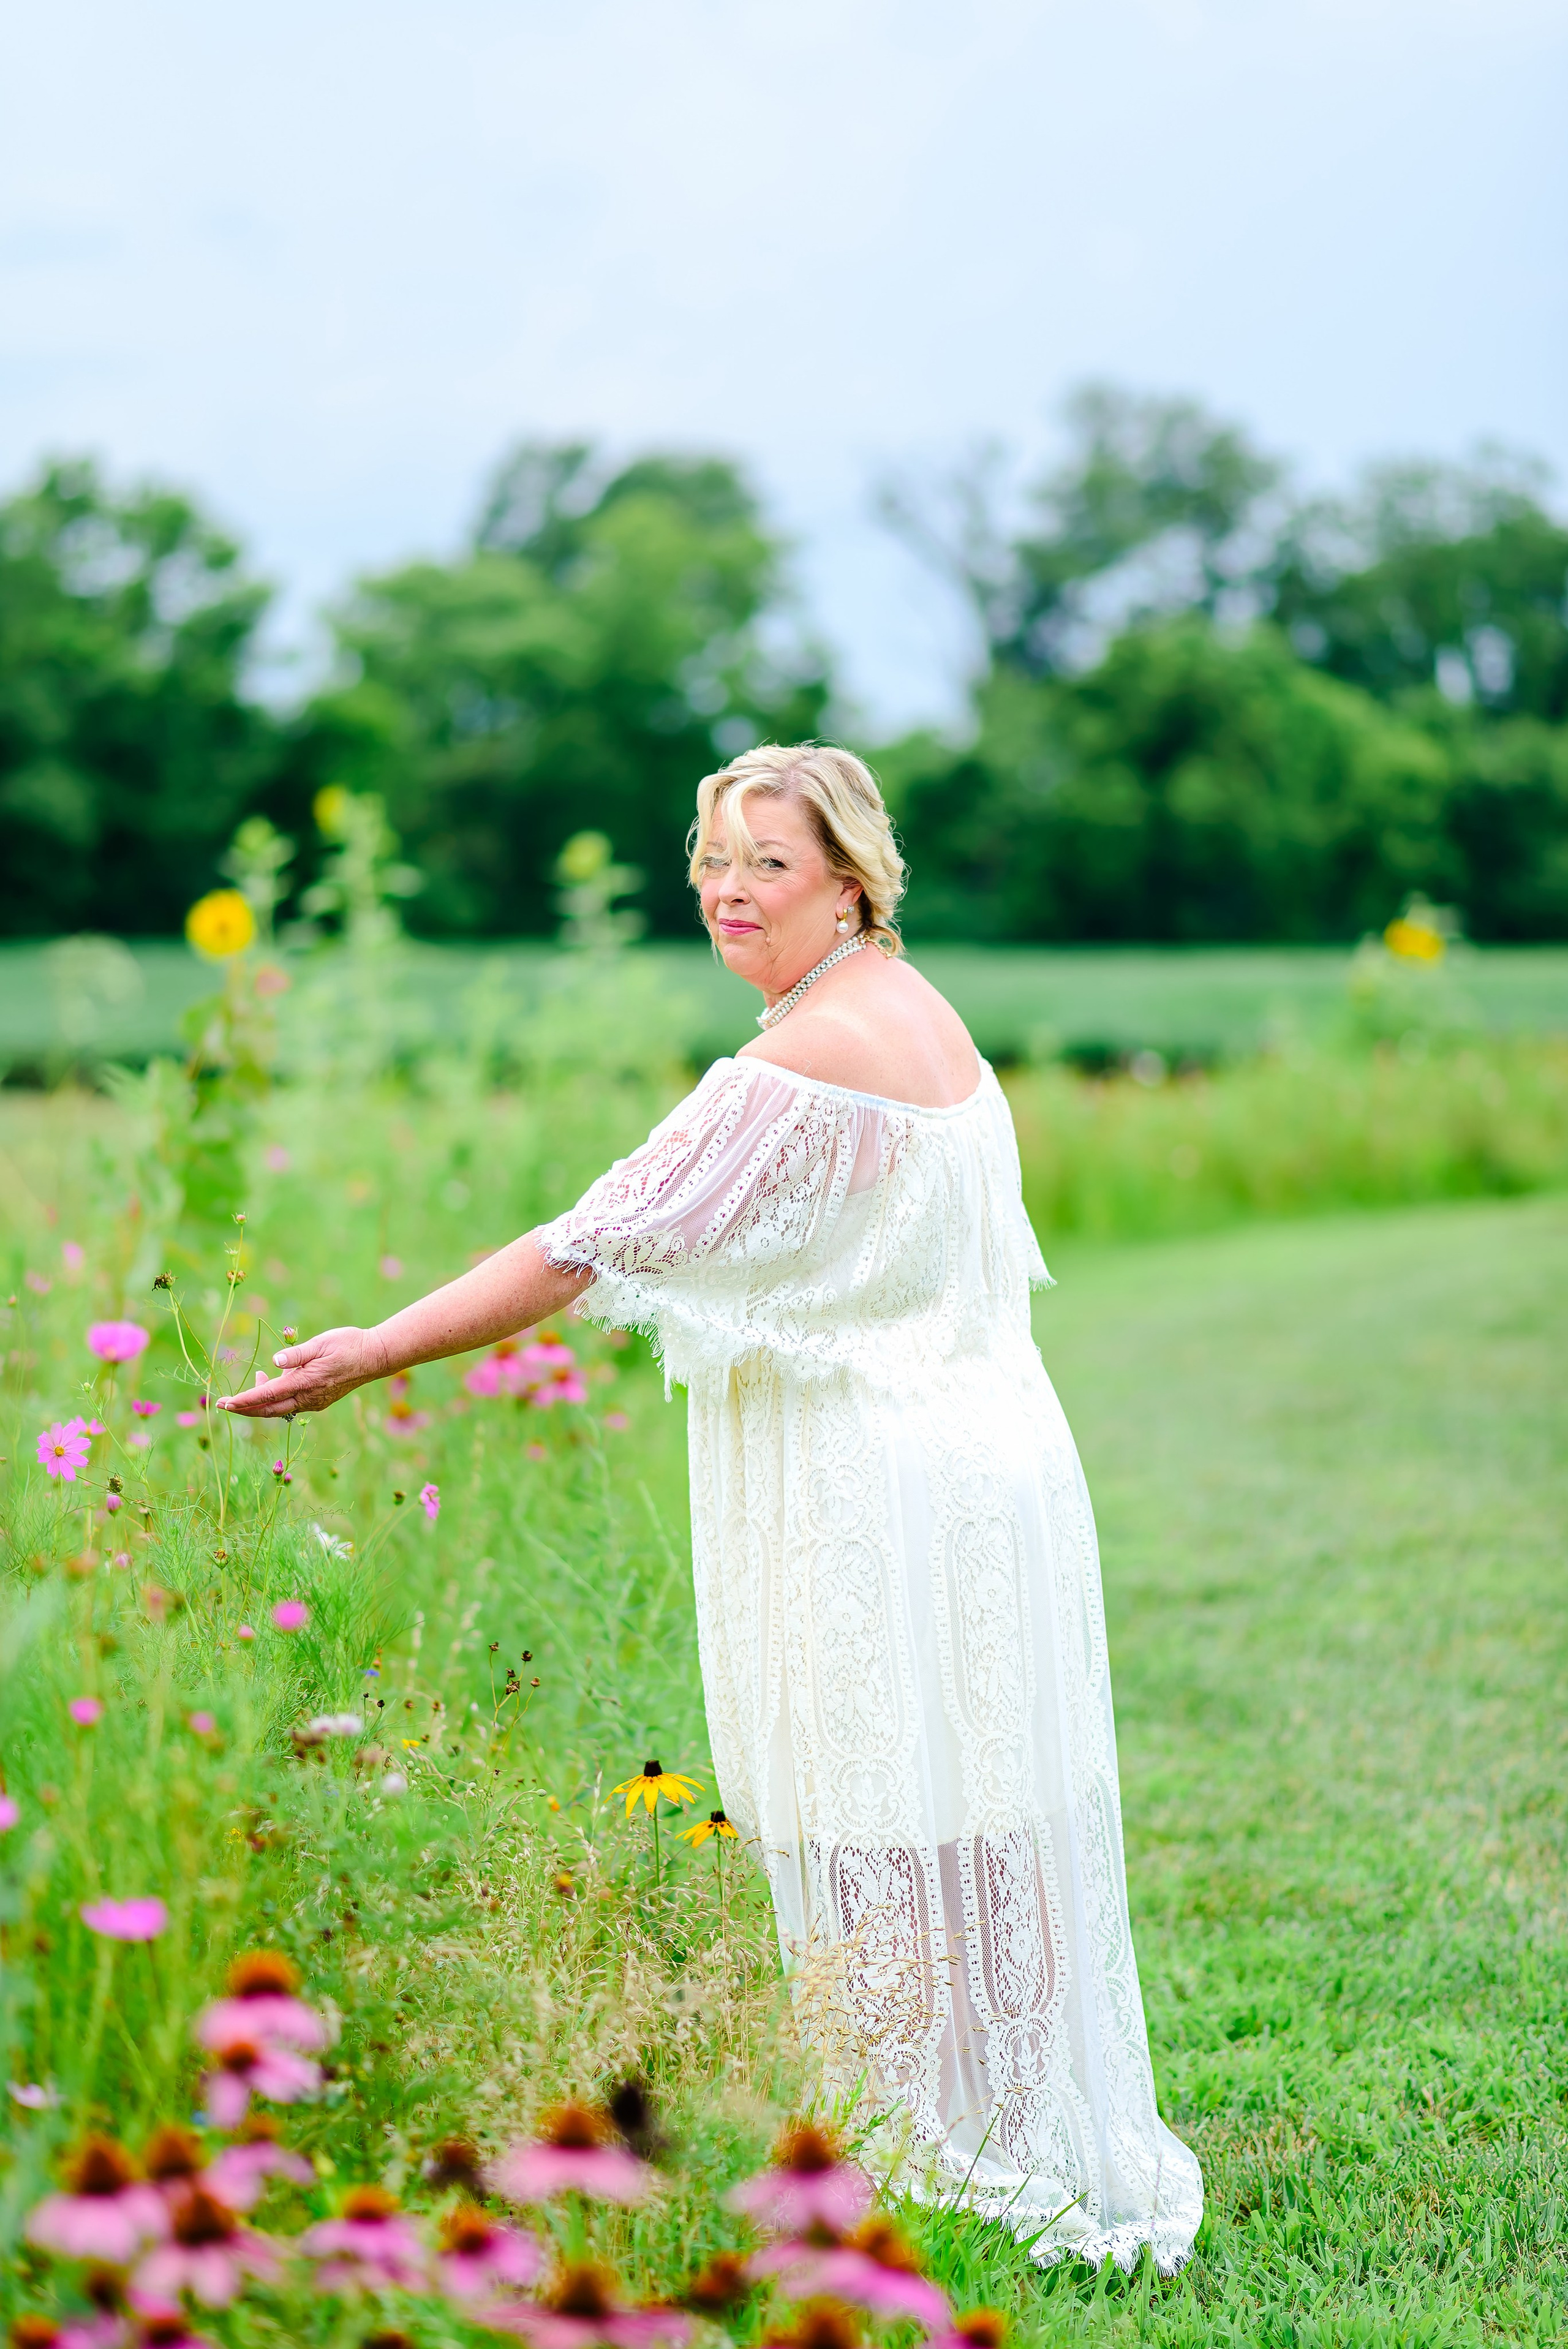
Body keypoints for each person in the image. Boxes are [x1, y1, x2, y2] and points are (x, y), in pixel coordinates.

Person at [220, 742, 1202, 2272]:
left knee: (878, 1797)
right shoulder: (913, 1008)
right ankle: (998, 2103)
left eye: (768, 865)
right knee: (969, 1803)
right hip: (985, 1452)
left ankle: (930, 2130)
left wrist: (376, 1350)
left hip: (885, 1480)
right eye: (708, 858)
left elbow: (583, 1243)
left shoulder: (800, 1059)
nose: (726, 892)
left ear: (851, 881)